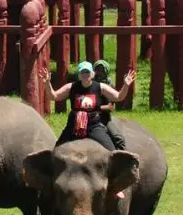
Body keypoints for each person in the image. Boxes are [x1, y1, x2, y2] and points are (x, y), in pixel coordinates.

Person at [42, 61, 136, 198]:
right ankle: (51, 182)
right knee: (56, 150)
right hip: (74, 123)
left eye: (87, 72)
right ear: (79, 75)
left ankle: (115, 186)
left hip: (94, 123)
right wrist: (47, 83)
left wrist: (126, 85)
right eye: (82, 72)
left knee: (111, 151)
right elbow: (54, 96)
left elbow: (118, 97)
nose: (85, 75)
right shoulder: (72, 87)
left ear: (92, 74)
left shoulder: (100, 87)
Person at [91, 59, 130, 151]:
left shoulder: (109, 86)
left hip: (103, 119)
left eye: (102, 70)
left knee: (118, 138)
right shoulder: (90, 84)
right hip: (88, 117)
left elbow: (110, 106)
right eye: (97, 70)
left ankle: (123, 158)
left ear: (106, 71)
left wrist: (95, 108)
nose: (99, 73)